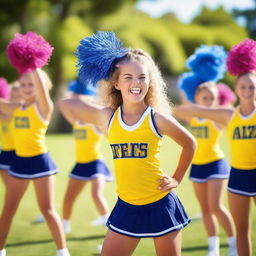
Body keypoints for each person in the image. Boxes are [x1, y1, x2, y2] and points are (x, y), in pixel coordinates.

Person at [59, 31, 196, 256]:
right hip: (126, 206)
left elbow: (190, 143)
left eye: (142, 77)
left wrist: (176, 178)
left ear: (149, 82)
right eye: (128, 77)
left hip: (160, 203)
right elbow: (66, 104)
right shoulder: (108, 117)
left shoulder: (156, 118)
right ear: (116, 83)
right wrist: (92, 96)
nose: (136, 83)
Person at [175, 39, 256, 256]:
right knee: (238, 226)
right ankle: (219, 249)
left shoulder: (228, 115)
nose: (247, 90)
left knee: (217, 207)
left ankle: (227, 245)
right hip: (233, 174)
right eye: (243, 86)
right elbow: (188, 110)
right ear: (236, 89)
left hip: (230, 168)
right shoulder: (228, 115)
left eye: (251, 86)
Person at [0, 32, 70, 256]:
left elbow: (39, 88)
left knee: (48, 210)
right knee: (8, 210)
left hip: (41, 163)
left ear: (41, 88)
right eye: (24, 84)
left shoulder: (43, 109)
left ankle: (62, 251)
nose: (28, 88)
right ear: (18, 86)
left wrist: (32, 62)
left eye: (33, 85)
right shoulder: (15, 109)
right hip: (19, 164)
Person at [59, 78, 113, 234]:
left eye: (79, 97)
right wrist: (77, 98)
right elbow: (64, 103)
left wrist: (89, 101)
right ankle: (65, 225)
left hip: (96, 163)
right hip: (80, 164)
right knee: (69, 198)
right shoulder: (76, 121)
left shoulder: (96, 121)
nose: (76, 101)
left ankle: (107, 223)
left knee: (96, 194)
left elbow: (109, 129)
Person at [0, 81, 21, 185]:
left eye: (18, 95)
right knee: (8, 186)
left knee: (15, 185)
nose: (14, 97)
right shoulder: (4, 110)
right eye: (12, 95)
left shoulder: (23, 109)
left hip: (19, 152)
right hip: (5, 152)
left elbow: (10, 118)